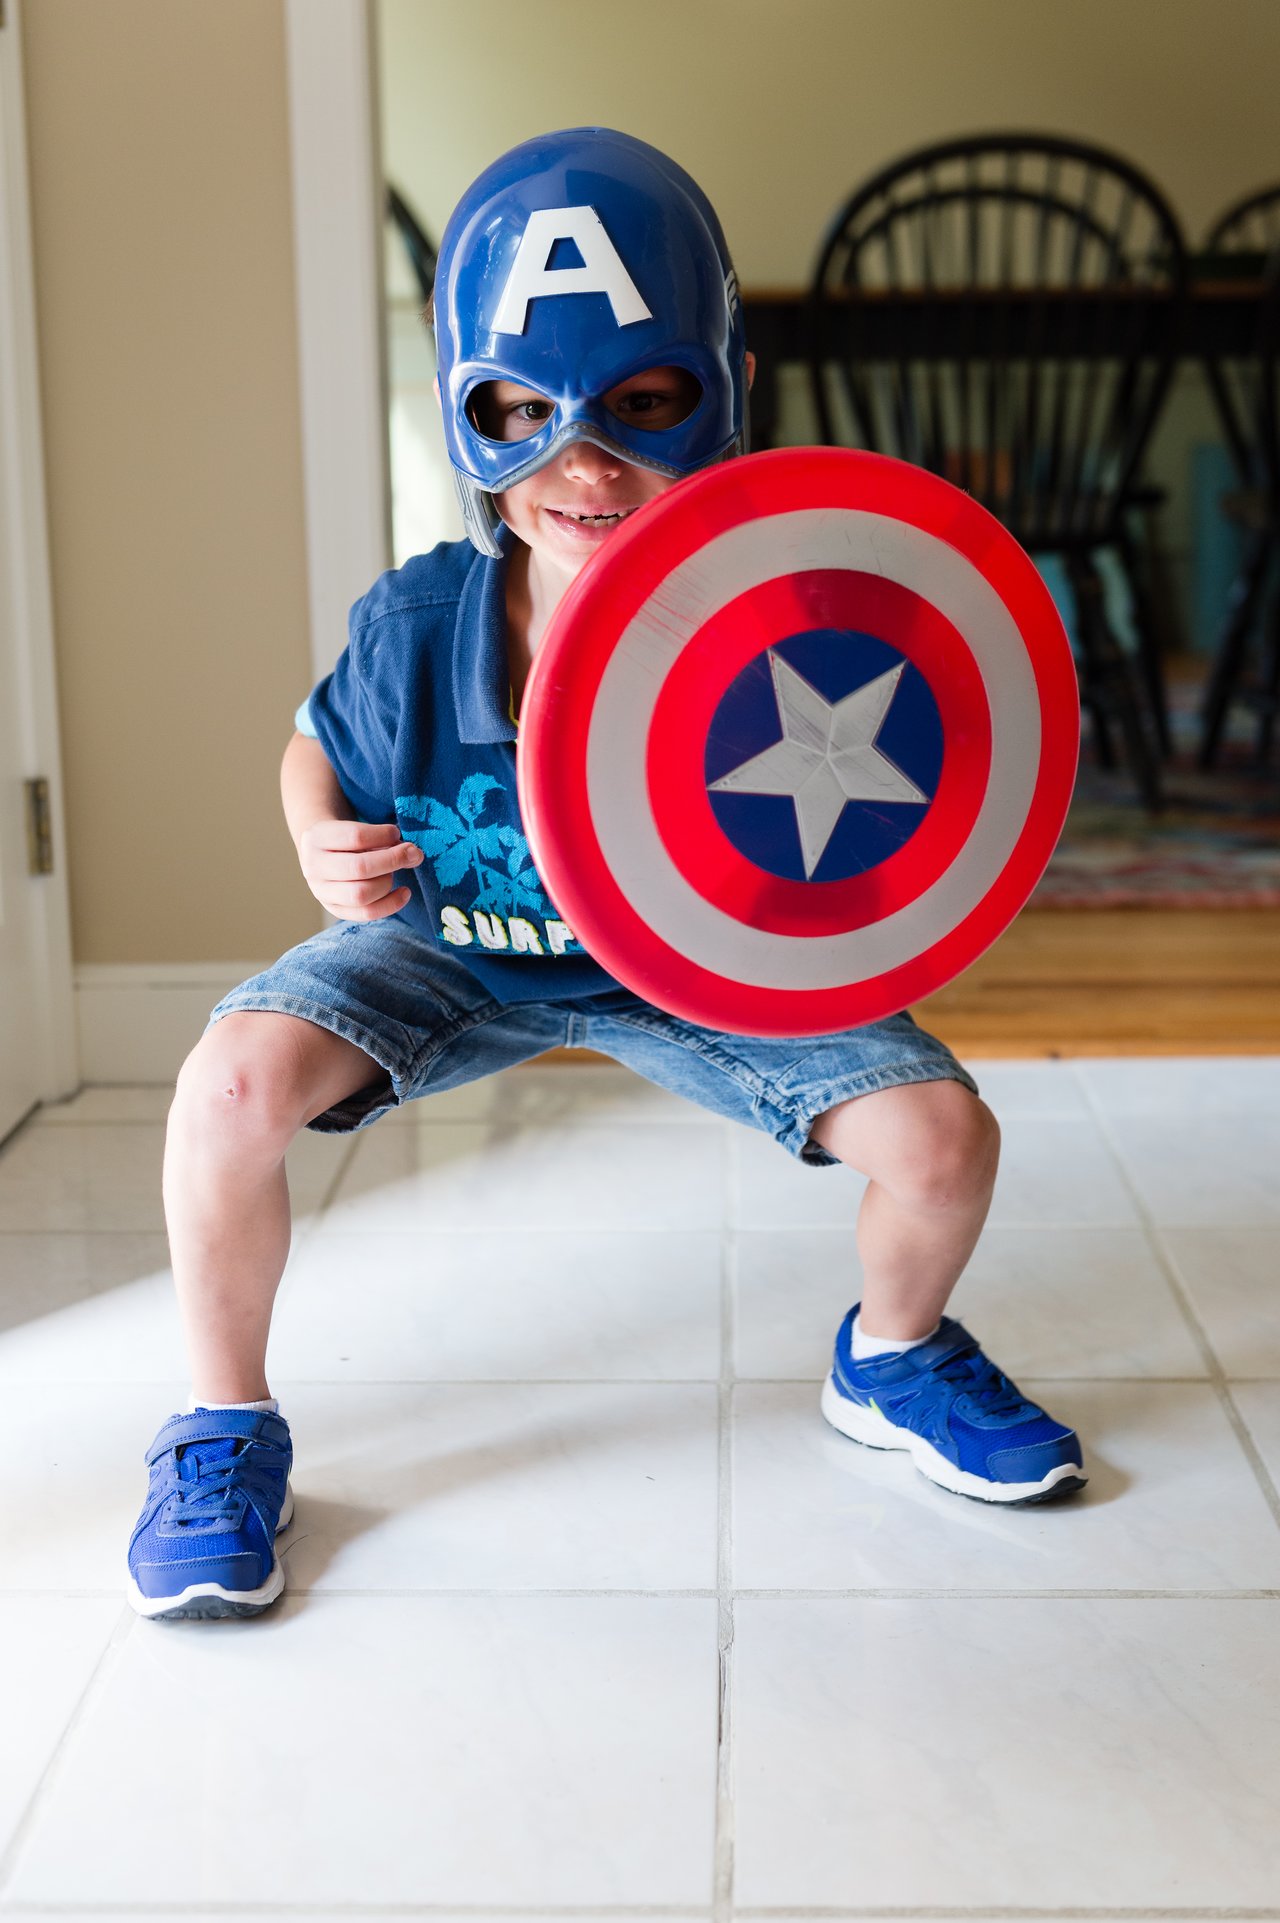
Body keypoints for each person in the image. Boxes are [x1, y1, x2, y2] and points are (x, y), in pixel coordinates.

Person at [126, 127, 1085, 1623]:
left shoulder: (801, 607)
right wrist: (315, 833)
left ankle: (891, 1355)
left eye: (643, 405)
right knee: (229, 1085)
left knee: (944, 1140)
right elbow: (312, 739)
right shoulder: (424, 617)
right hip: (453, 935)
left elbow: (935, 776)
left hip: (709, 962)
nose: (584, 463)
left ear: (724, 391)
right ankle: (220, 1424)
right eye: (527, 413)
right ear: (472, 416)